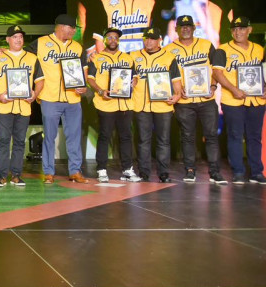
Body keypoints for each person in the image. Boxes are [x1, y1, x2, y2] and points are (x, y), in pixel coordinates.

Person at [30, 14, 88, 184]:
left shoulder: (77, 47)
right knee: (49, 136)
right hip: (49, 97)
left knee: (74, 136)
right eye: (71, 28)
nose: (73, 31)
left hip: (73, 98)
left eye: (74, 29)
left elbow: (83, 70)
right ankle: (48, 171)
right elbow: (21, 57)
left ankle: (75, 171)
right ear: (61, 27)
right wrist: (1, 51)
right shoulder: (41, 43)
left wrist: (83, 86)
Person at [170, 15, 225, 184]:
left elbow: (216, 70)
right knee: (187, 137)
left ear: (194, 28)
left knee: (211, 136)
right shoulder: (169, 50)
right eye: (182, 26)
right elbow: (168, 76)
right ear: (176, 29)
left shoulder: (206, 45)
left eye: (188, 26)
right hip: (185, 102)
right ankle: (190, 170)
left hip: (206, 99)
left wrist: (214, 87)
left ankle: (215, 172)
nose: (185, 29)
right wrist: (178, 91)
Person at [212, 16, 266, 185]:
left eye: (242, 28)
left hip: (256, 100)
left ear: (249, 30)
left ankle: (257, 172)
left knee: (254, 137)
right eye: (234, 29)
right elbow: (217, 74)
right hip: (232, 99)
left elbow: (264, 70)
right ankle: (238, 172)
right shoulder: (223, 49)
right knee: (235, 135)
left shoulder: (259, 49)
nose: (238, 32)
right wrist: (234, 89)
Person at [0, 25, 39, 187]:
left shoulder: (32, 58)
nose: (18, 40)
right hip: (3, 107)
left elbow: (40, 80)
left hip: (23, 107)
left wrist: (35, 94)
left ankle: (16, 175)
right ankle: (1, 176)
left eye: (21, 37)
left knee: (19, 142)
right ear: (7, 40)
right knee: (3, 141)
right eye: (15, 37)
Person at [87, 28, 140, 182]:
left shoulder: (127, 58)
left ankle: (127, 169)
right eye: (109, 37)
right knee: (104, 136)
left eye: (115, 37)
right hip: (106, 103)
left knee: (126, 137)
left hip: (125, 104)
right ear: (104, 40)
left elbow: (135, 76)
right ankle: (102, 169)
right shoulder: (96, 58)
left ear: (119, 40)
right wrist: (100, 90)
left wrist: (134, 81)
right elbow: (90, 79)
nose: (112, 40)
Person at [132, 27, 182, 182]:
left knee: (163, 140)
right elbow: (130, 78)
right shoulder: (134, 56)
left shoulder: (168, 57)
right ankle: (144, 172)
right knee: (143, 140)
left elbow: (176, 80)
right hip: (141, 103)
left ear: (159, 40)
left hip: (163, 103)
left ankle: (163, 172)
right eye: (146, 38)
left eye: (152, 38)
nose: (148, 41)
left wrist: (178, 95)